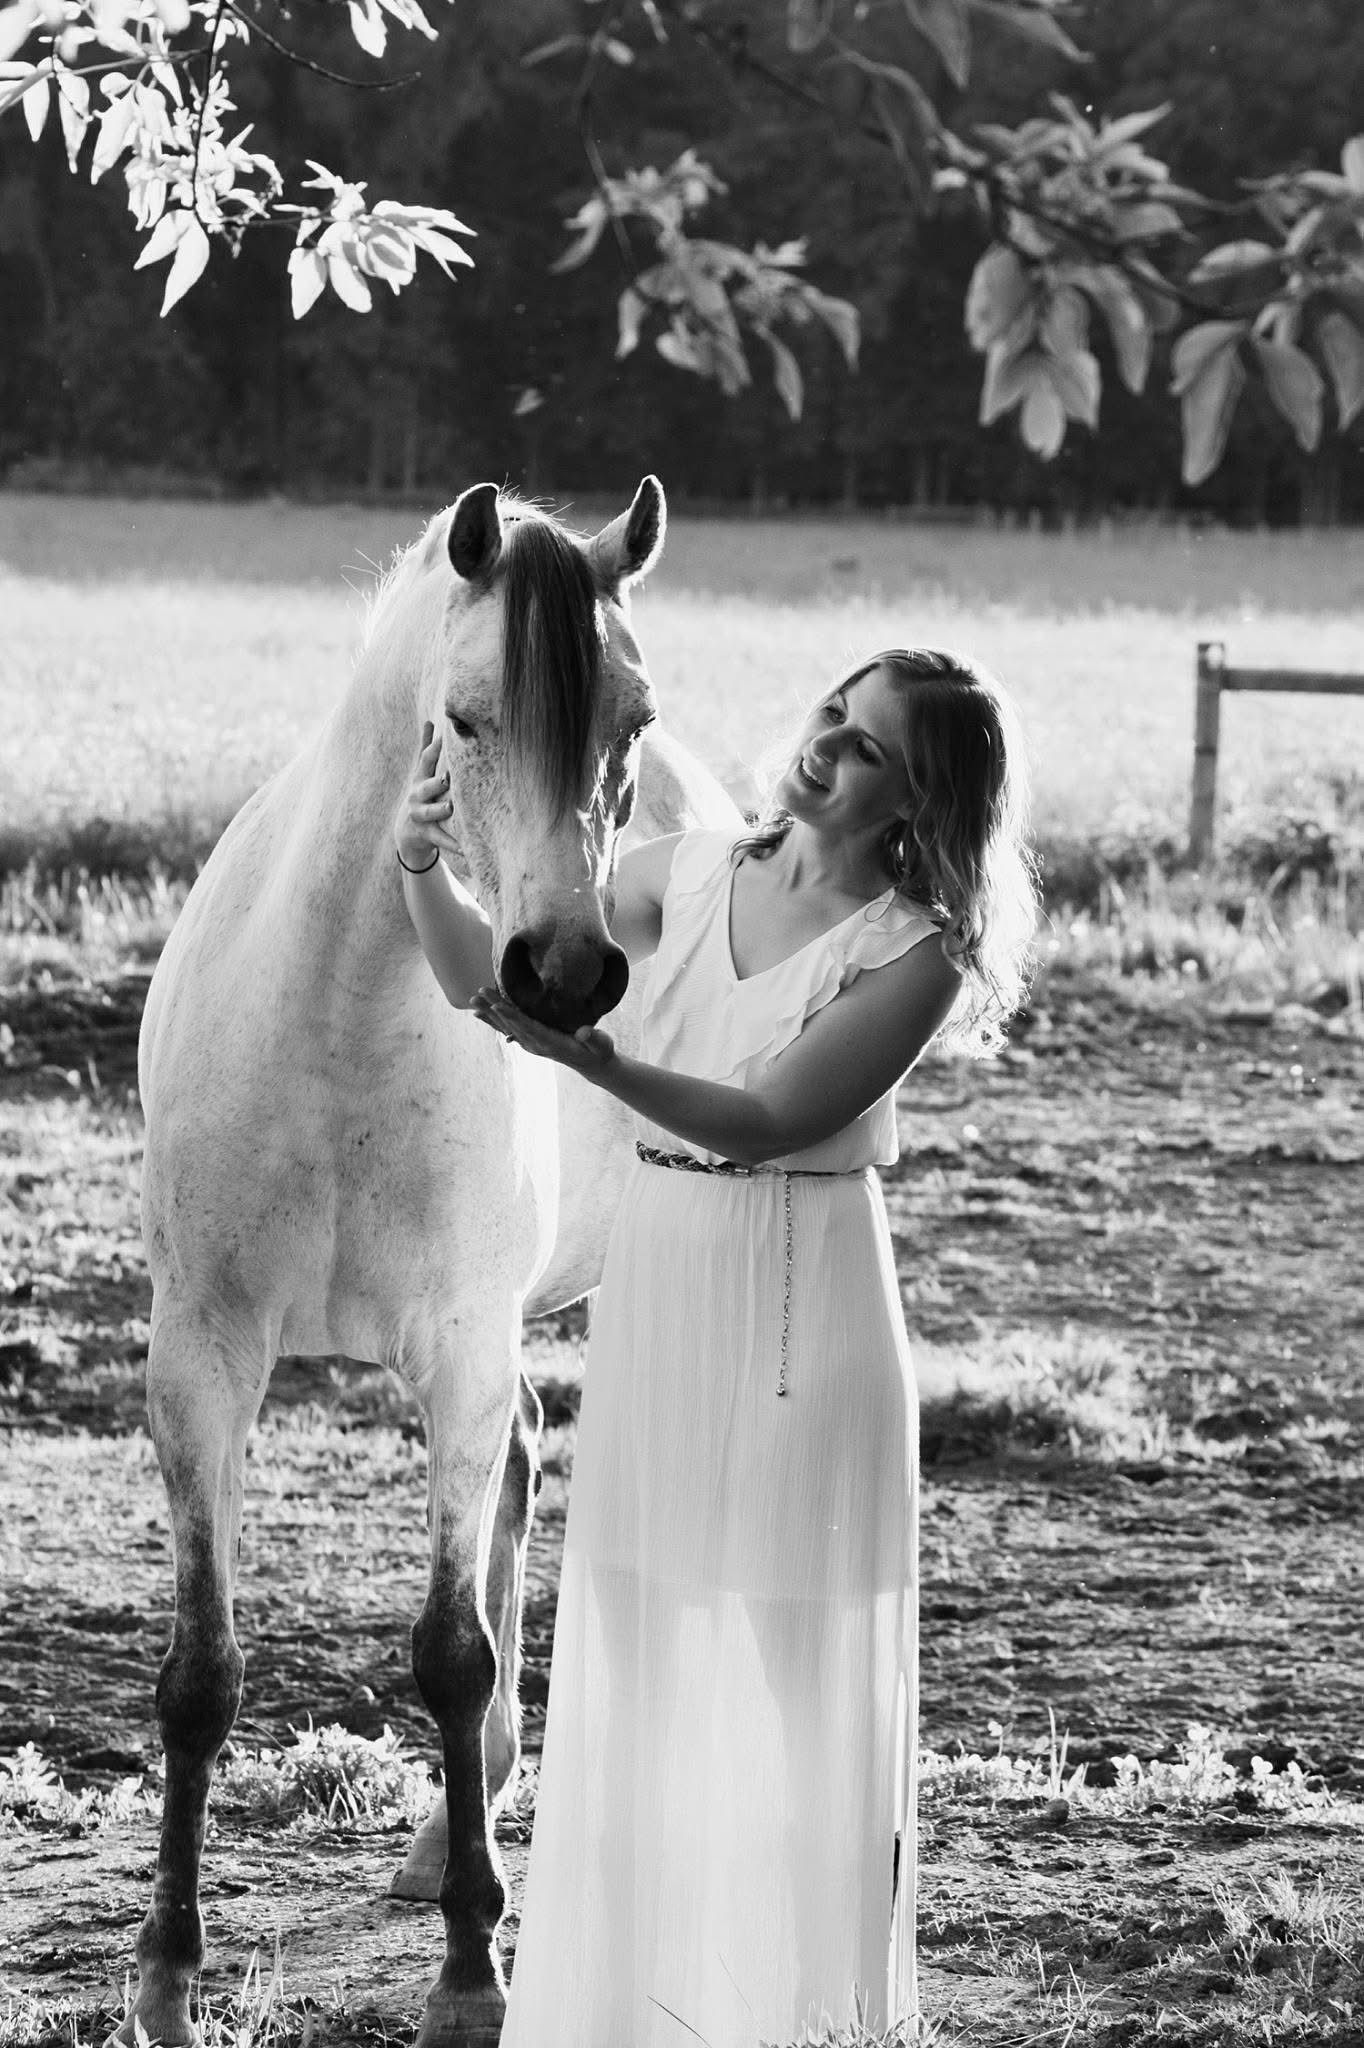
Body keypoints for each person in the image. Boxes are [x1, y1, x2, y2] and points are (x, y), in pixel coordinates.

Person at [394, 647, 1038, 2048]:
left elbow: (769, 1115)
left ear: (918, 798)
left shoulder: (918, 952)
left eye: (868, 748)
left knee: (795, 1673)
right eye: (831, 715)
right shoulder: (676, 874)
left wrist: (601, 1066)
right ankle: (629, 2009)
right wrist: (422, 871)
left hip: (807, 1297)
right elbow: (482, 989)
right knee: (646, 1643)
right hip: (665, 1283)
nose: (826, 749)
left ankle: (797, 2012)